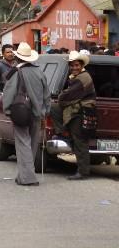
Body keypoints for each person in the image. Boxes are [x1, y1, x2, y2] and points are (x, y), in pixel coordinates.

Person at [3, 42, 51, 186]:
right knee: (32, 145)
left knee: (23, 144)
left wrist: (8, 111)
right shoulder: (40, 72)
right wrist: (45, 113)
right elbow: (46, 96)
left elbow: (8, 93)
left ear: (18, 58)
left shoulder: (16, 72)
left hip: (21, 113)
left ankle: (28, 177)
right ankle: (23, 175)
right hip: (37, 114)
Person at [51, 51, 96, 180]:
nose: (75, 67)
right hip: (78, 111)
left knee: (80, 142)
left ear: (81, 65)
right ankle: (63, 132)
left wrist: (62, 96)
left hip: (80, 112)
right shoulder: (78, 77)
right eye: (73, 65)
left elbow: (65, 97)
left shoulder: (82, 79)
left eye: (77, 65)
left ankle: (83, 172)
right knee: (78, 141)